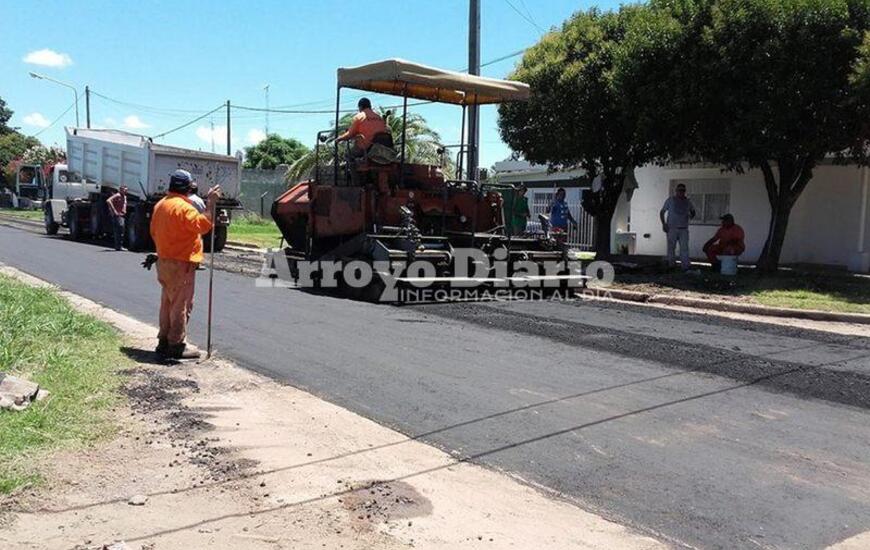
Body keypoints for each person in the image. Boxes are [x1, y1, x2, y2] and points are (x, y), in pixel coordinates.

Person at [149, 169, 221, 360]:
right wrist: (211, 203)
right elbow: (204, 225)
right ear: (188, 187)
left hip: (164, 260)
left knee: (167, 302)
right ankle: (176, 344)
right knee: (181, 304)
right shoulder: (184, 208)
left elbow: (154, 231)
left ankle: (163, 340)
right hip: (181, 262)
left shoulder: (160, 205)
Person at [659, 183, 697, 271]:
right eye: (679, 190)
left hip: (683, 228)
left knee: (684, 248)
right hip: (672, 228)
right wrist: (664, 224)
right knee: (671, 247)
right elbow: (662, 212)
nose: (681, 192)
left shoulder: (687, 202)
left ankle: (685, 266)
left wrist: (691, 216)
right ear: (676, 191)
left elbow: (693, 211)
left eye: (683, 190)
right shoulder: (670, 200)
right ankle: (671, 265)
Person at [106, 185, 128, 251]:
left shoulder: (125, 197)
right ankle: (119, 246)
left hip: (122, 214)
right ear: (120, 190)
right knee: (119, 229)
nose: (125, 191)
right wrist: (114, 210)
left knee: (121, 230)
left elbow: (124, 204)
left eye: (126, 190)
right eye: (124, 190)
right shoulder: (118, 195)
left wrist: (124, 210)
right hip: (117, 215)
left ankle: (118, 246)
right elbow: (108, 200)